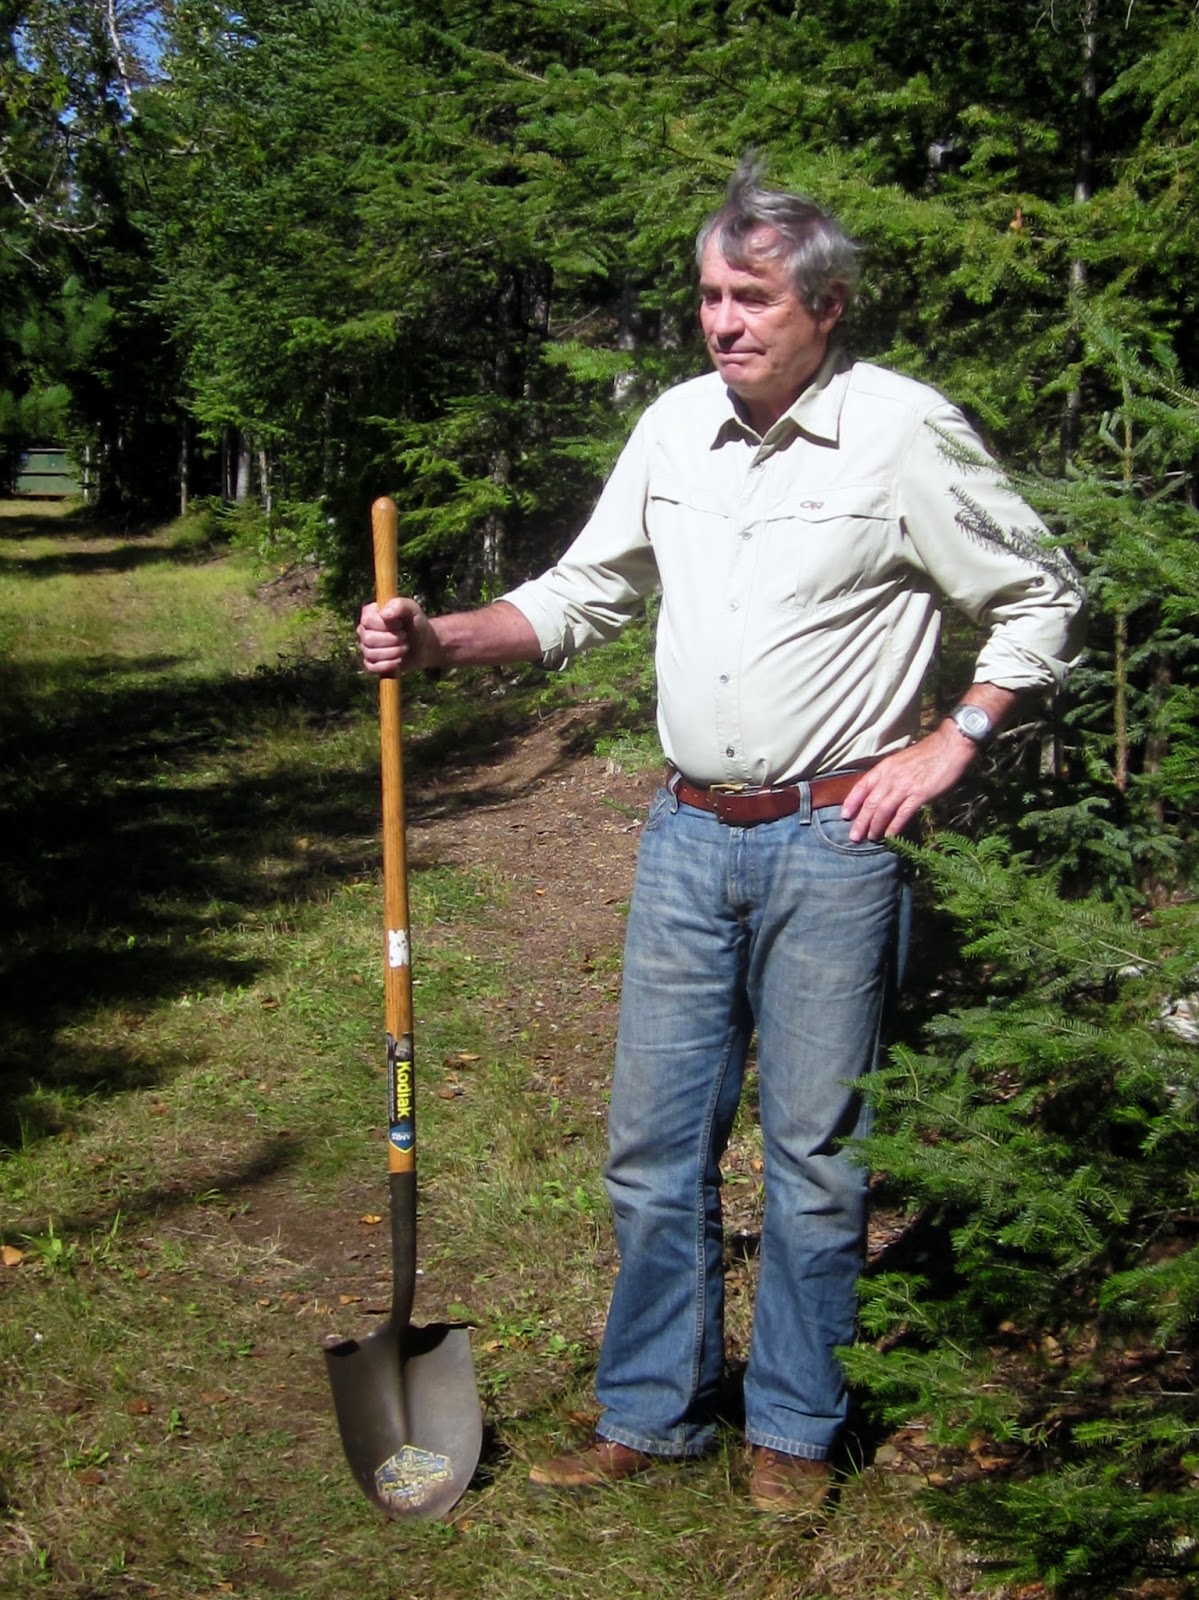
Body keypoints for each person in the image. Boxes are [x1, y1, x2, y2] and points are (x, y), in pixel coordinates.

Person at [357, 156, 1085, 1520]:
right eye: (708, 295)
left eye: (752, 298)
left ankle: (795, 1432)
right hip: (689, 835)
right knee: (652, 1145)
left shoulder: (905, 433)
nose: (724, 322)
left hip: (837, 841)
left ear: (827, 306)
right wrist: (441, 637)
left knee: (815, 1155)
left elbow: (1040, 591)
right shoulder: (676, 429)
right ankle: (655, 1410)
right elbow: (584, 590)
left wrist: (955, 741)